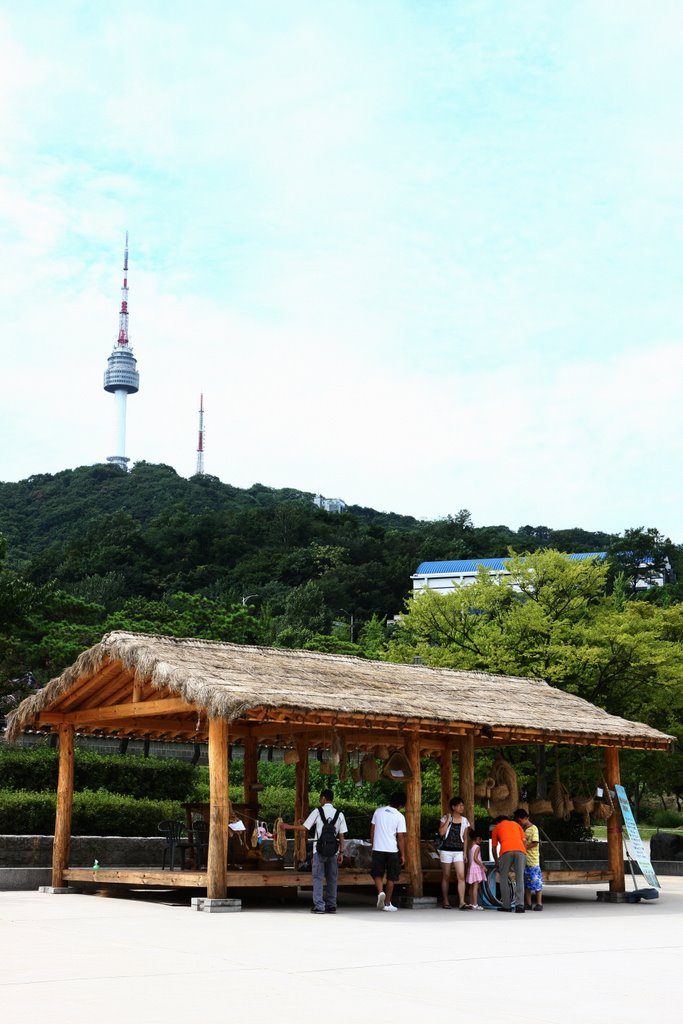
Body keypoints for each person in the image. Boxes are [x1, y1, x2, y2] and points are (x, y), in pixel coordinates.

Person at [282, 789, 347, 914]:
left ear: (323, 798)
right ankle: (332, 905)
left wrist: (288, 826)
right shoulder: (340, 814)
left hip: (319, 850)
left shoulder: (318, 811)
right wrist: (341, 853)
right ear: (331, 799)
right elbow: (342, 835)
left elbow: (304, 827)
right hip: (333, 851)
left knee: (318, 878)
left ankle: (319, 906)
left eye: (320, 798)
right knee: (332, 878)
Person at [370, 792, 407, 913]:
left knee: (377, 873)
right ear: (401, 805)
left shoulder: (378, 811)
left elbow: (372, 831)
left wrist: (373, 844)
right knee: (392, 876)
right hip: (392, 849)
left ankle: (381, 892)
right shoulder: (400, 817)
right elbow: (400, 837)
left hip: (378, 848)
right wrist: (403, 854)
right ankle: (387, 903)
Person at [438, 795, 471, 910]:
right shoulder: (445, 818)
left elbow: (465, 838)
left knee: (461, 875)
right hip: (446, 850)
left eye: (462, 805)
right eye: (459, 805)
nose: (462, 807)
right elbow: (441, 833)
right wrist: (448, 819)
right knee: (446, 876)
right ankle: (445, 900)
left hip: (458, 851)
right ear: (453, 807)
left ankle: (462, 902)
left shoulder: (465, 820)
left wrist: (465, 853)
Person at [491, 812, 527, 913]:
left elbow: (493, 848)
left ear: (498, 822)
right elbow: (524, 841)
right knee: (520, 878)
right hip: (521, 852)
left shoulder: (497, 827)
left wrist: (496, 861)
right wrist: (524, 854)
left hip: (506, 851)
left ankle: (506, 906)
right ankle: (520, 906)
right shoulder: (517, 825)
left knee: (503, 878)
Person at [514, 809, 543, 911]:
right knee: (526, 883)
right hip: (524, 860)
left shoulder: (533, 828)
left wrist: (524, 847)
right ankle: (529, 903)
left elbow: (535, 842)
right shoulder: (522, 829)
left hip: (533, 860)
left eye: (520, 821)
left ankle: (539, 903)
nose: (519, 823)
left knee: (536, 882)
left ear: (526, 818)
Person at [466, 828, 486, 910]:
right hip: (476, 868)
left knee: (471, 886)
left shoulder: (470, 847)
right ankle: (475, 904)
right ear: (478, 838)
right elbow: (475, 858)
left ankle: (471, 903)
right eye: (481, 839)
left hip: (471, 868)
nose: (481, 841)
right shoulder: (477, 847)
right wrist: (482, 866)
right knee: (475, 886)